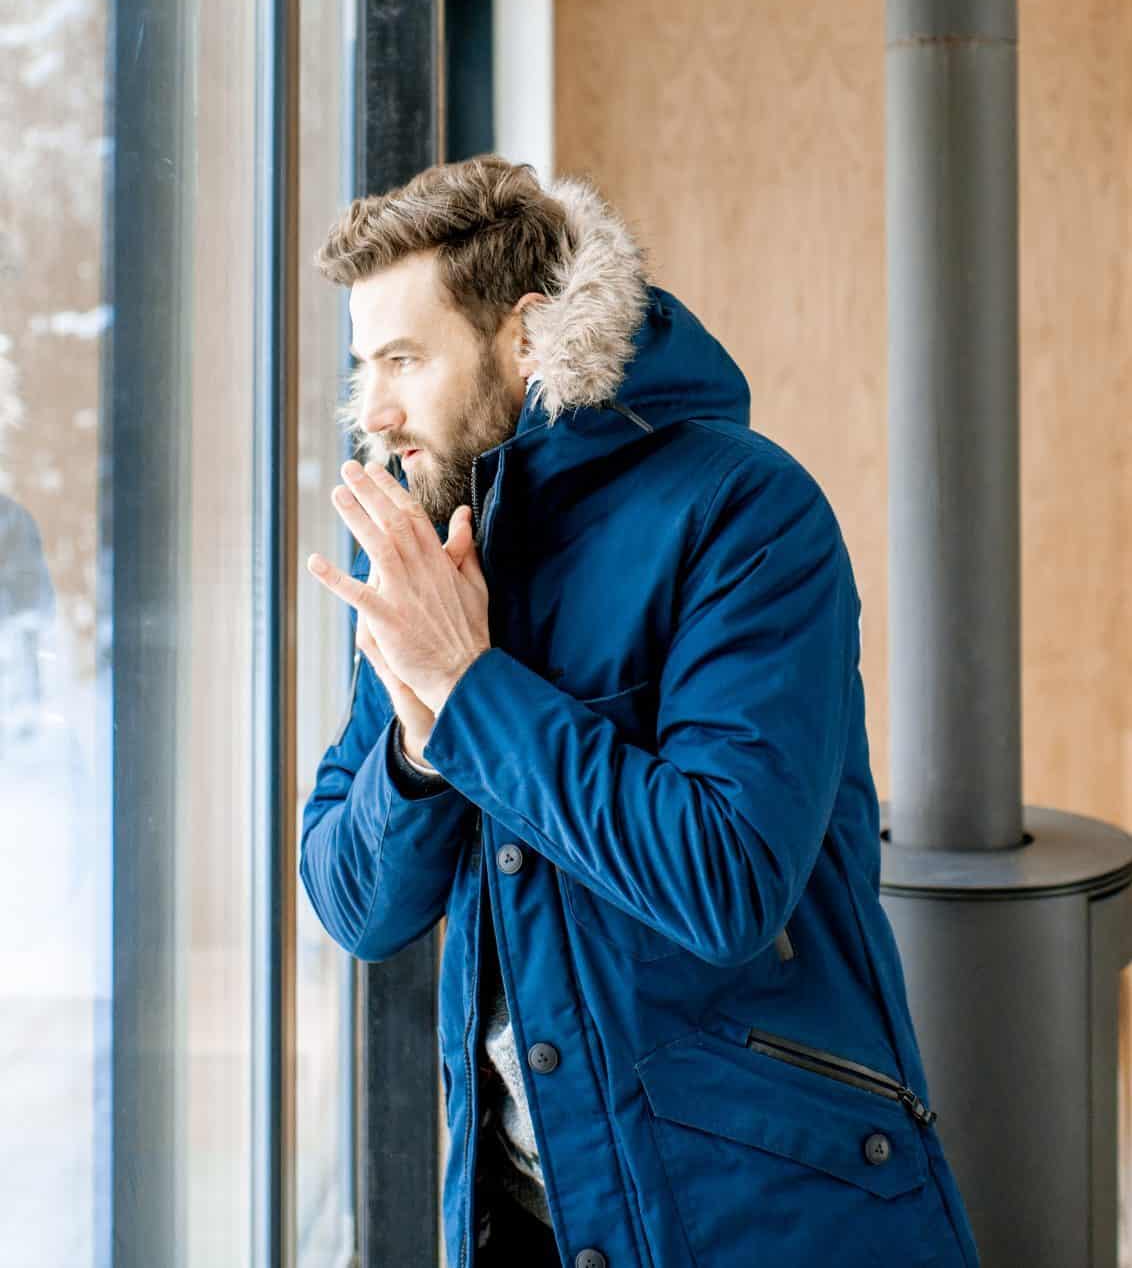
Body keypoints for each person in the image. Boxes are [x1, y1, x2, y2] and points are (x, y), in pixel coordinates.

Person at [299, 155, 979, 1268]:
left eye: (405, 360)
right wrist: (421, 751)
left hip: (764, 1213)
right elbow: (354, 902)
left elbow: (724, 880)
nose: (371, 408)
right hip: (525, 1213)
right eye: (363, 365)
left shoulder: (746, 510)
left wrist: (470, 688)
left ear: (523, 336)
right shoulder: (434, 545)